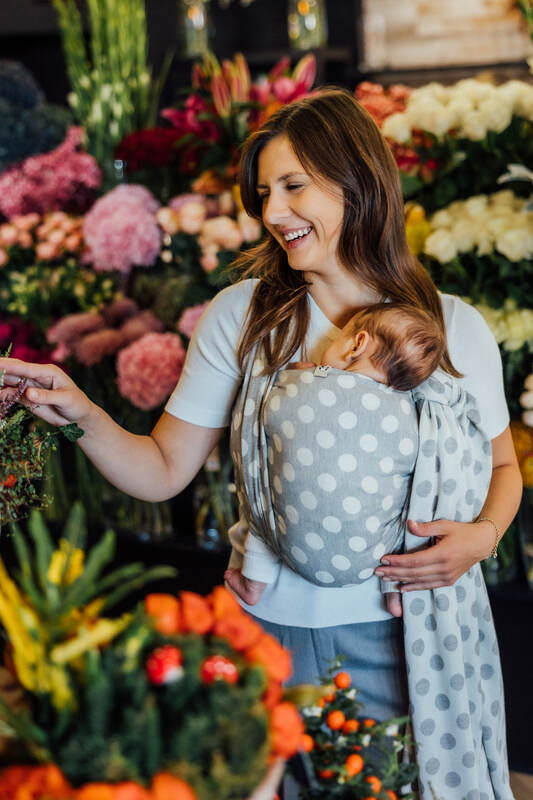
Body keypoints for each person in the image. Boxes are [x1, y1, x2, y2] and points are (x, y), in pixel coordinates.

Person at [0, 88, 522, 799]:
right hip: (268, 635)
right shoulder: (242, 317)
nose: (273, 213)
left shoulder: (449, 327)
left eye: (294, 186)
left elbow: (502, 466)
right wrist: (78, 410)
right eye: (265, 193)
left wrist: (481, 538)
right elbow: (162, 470)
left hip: (409, 637)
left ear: (358, 183)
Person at [224, 301, 449, 617]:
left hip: (292, 542)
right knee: (401, 512)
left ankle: (253, 582)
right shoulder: (406, 413)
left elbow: (272, 410)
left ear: (357, 344)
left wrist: (298, 378)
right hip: (370, 555)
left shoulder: (307, 385)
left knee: (266, 499)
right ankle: (395, 594)